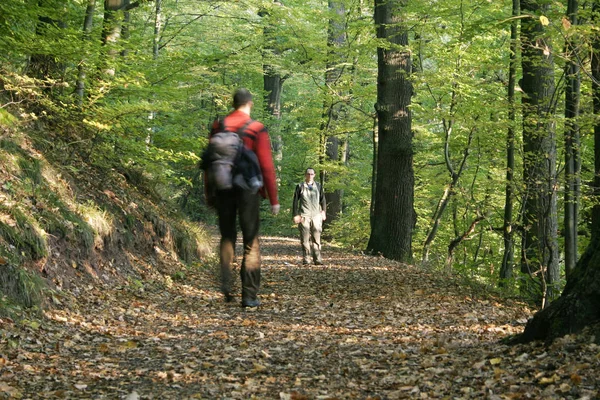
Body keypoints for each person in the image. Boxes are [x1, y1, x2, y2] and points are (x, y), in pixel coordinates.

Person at [206, 88, 280, 307]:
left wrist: (209, 192)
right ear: (250, 104)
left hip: (223, 189)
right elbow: (266, 166)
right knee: (251, 242)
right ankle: (249, 295)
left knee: (227, 237)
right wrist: (273, 198)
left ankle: (226, 285)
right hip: (248, 190)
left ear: (232, 103)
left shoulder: (218, 126)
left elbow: (209, 163)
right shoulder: (256, 128)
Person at [292, 168, 326, 265]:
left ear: (314, 175)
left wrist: (323, 211)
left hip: (316, 216)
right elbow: (295, 202)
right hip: (304, 216)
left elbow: (323, 199)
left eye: (311, 174)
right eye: (308, 174)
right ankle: (306, 259)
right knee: (305, 239)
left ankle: (318, 260)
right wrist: (295, 215)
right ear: (305, 175)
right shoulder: (300, 186)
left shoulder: (319, 186)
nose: (310, 176)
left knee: (317, 239)